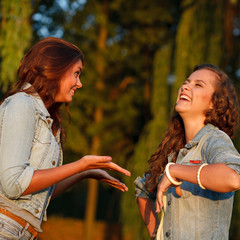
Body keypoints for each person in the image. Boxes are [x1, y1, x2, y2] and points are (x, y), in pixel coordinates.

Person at [0, 37, 131, 240]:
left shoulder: (47, 119)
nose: (80, 83)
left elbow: (38, 193)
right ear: (55, 69)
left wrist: (85, 172)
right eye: (76, 74)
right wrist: (80, 164)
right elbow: (14, 184)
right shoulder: (21, 104)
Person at [135, 63, 240, 240]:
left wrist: (175, 171)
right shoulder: (173, 150)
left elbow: (232, 178)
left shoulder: (215, 140)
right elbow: (143, 190)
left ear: (215, 103)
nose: (185, 86)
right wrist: (156, 235)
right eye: (186, 82)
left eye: (198, 85)